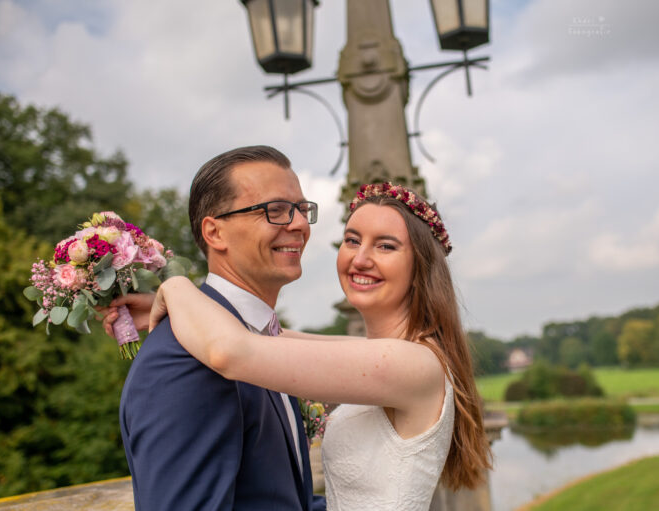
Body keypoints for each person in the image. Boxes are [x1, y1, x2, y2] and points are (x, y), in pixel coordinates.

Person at [141, 182, 493, 510]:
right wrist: (172, 307)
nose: (360, 259)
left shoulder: (413, 364)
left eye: (386, 245)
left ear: (422, 266)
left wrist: (175, 287)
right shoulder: (389, 352)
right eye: (352, 240)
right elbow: (269, 335)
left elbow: (230, 351)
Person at [114, 146, 326, 511]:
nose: (300, 224)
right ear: (214, 233)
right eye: (275, 211)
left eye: (301, 209)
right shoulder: (182, 360)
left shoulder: (263, 337)